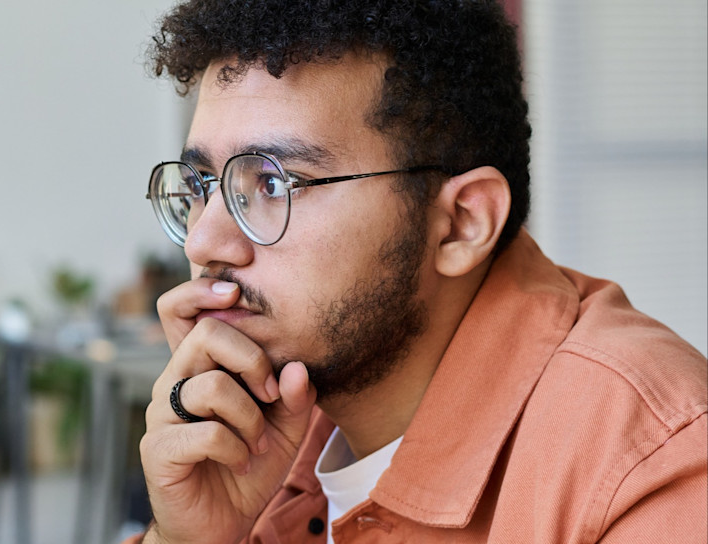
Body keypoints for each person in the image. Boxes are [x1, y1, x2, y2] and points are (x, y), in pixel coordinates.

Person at [130, 1, 708, 542]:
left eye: (274, 184)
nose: (205, 239)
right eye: (203, 185)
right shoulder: (270, 421)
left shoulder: (650, 467)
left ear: (460, 223)